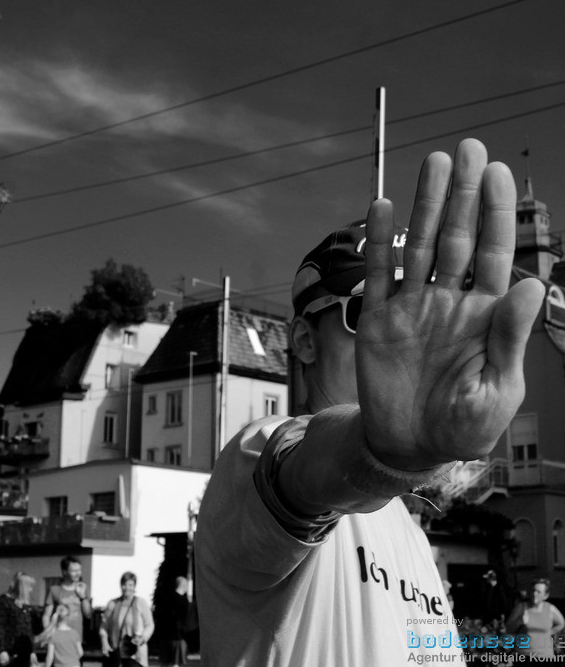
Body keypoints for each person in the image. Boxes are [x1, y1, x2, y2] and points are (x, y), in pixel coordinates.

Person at [196, 139, 545, 666]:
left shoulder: (408, 531)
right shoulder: (258, 452)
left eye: (418, 311)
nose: (403, 339)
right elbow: (303, 470)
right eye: (367, 310)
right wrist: (385, 453)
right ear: (305, 340)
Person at [99, 571, 154, 667]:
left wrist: (143, 638)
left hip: (136, 653)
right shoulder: (113, 604)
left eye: (130, 585)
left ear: (134, 586)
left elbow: (149, 625)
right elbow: (104, 626)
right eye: (124, 584)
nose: (127, 588)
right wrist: (104, 642)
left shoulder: (141, 603)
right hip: (116, 652)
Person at [0, 571, 38, 667]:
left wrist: (32, 651)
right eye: (29, 587)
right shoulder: (3, 602)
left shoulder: (24, 605)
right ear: (22, 587)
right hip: (10, 651)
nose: (31, 590)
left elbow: (28, 629)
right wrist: (1, 650)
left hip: (25, 651)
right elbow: (0, 627)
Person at [43, 556, 91, 635]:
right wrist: (49, 633)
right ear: (64, 571)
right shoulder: (54, 590)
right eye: (74, 571)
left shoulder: (83, 588)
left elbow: (88, 614)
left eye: (79, 570)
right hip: (59, 636)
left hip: (76, 637)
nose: (78, 573)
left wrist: (83, 597)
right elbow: (46, 616)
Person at [522, 578, 565, 658]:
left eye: (538, 592)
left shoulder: (550, 608)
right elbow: (509, 627)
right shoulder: (521, 607)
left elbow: (561, 624)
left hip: (544, 655)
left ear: (546, 595)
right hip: (524, 655)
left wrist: (549, 632)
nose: (535, 594)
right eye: (533, 590)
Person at [171, 576, 190, 667]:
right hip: (179, 635)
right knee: (177, 662)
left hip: (172, 635)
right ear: (183, 585)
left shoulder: (170, 598)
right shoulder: (183, 600)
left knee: (171, 662)